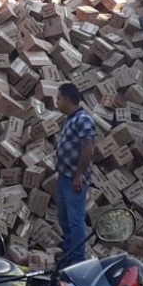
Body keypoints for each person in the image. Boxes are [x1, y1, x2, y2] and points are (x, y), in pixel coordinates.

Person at [54, 83, 96, 267]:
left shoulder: (83, 119)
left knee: (75, 220)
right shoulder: (70, 119)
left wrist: (79, 175)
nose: (57, 102)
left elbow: (88, 149)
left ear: (68, 99)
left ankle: (77, 261)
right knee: (64, 217)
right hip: (64, 177)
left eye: (59, 98)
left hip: (74, 179)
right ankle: (69, 252)